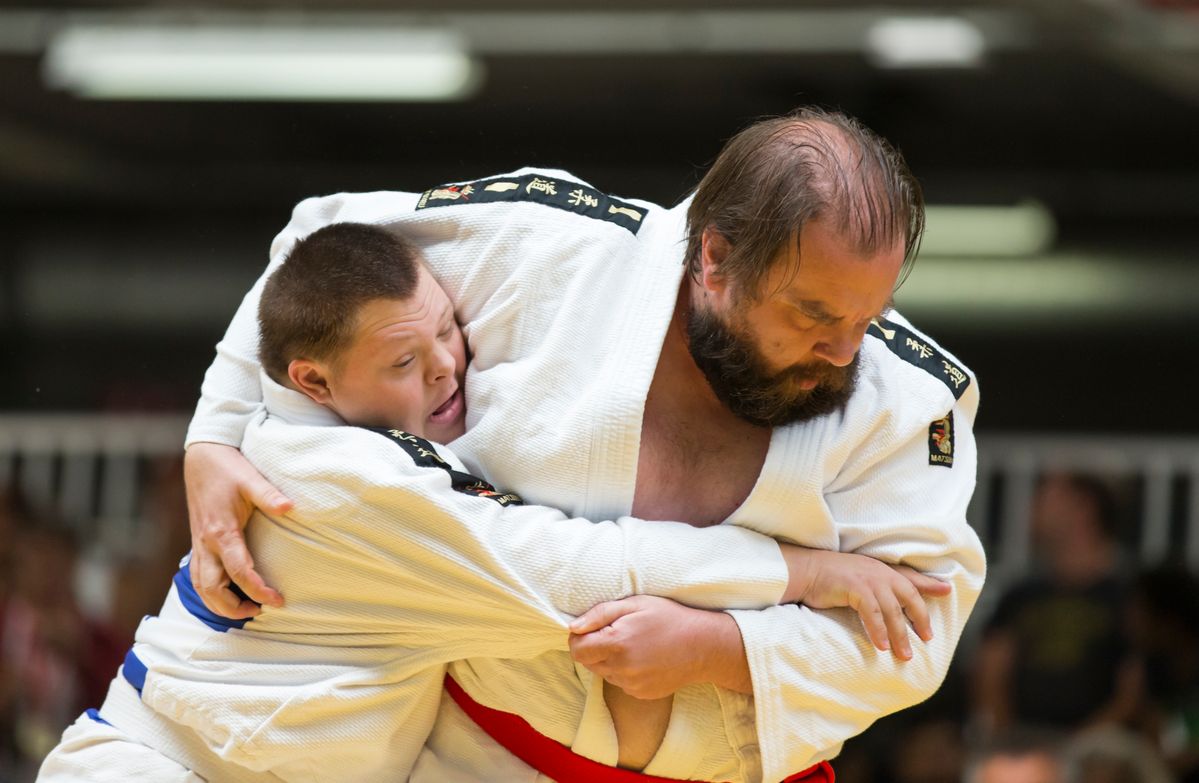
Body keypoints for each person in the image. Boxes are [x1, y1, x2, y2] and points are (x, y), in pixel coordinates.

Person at [185, 107, 987, 781]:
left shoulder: (910, 403)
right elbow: (319, 243)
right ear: (714, 258)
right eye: (811, 315)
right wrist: (215, 438)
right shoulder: (551, 251)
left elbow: (918, 635)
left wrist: (722, 648)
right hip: (476, 750)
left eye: (867, 315)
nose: (846, 350)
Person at [38, 222, 945, 782]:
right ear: (313, 379)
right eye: (403, 361)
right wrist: (811, 569)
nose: (444, 366)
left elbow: (314, 230)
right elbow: (580, 571)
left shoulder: (344, 433)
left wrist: (210, 433)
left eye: (447, 328)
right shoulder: (334, 480)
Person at [973, 472, 1133, 737]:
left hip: (1101, 753)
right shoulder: (1020, 595)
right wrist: (1008, 743)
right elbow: (991, 673)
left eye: (1047, 494)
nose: (1033, 506)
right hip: (1022, 746)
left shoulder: (1127, 596)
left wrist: (1078, 748)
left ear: (1084, 505)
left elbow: (1134, 691)